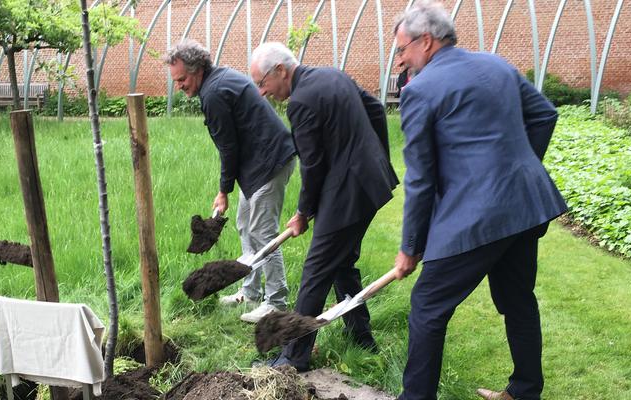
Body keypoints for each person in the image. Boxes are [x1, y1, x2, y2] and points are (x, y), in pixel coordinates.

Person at [389, 2, 567, 399]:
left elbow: (419, 178)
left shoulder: (419, 90)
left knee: (428, 307)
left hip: (479, 217)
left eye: (402, 50)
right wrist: (515, 169)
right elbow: (544, 115)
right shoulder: (496, 64)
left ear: (427, 41)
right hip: (525, 206)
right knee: (518, 300)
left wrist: (410, 247)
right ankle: (524, 391)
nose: (401, 60)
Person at [249, 42, 399, 371]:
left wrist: (303, 214)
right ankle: (361, 336)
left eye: (262, 83)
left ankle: (293, 357)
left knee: (315, 271)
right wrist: (377, 158)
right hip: (367, 183)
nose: (262, 92)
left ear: (280, 71)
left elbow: (312, 166)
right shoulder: (332, 75)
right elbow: (375, 108)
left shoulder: (300, 102)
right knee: (342, 263)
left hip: (347, 192)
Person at [165, 39, 297, 323]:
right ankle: (249, 293)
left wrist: (223, 191)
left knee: (263, 234)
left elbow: (228, 147)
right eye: (175, 80)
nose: (180, 85)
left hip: (269, 163)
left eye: (183, 79)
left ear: (198, 69)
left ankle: (276, 302)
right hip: (258, 164)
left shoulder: (213, 94)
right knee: (245, 226)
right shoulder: (220, 78)